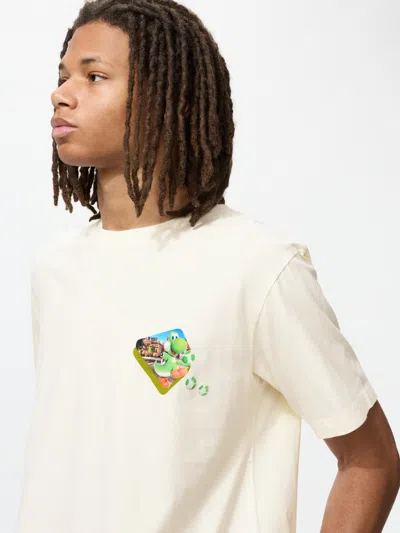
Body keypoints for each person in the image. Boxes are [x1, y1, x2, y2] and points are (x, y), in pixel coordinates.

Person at [15, 1, 399, 532]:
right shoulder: (55, 270)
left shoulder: (255, 267)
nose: (61, 94)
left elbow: (369, 460)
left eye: (94, 76)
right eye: (63, 77)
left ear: (164, 99)